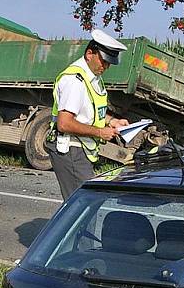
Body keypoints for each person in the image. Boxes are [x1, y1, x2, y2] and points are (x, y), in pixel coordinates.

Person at [46, 29, 130, 200]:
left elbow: (89, 111)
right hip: (70, 149)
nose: (106, 66)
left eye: (109, 63)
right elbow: (64, 123)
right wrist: (100, 132)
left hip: (80, 149)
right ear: (89, 53)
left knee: (81, 205)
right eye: (104, 61)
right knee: (83, 204)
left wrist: (112, 121)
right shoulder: (74, 81)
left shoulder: (92, 76)